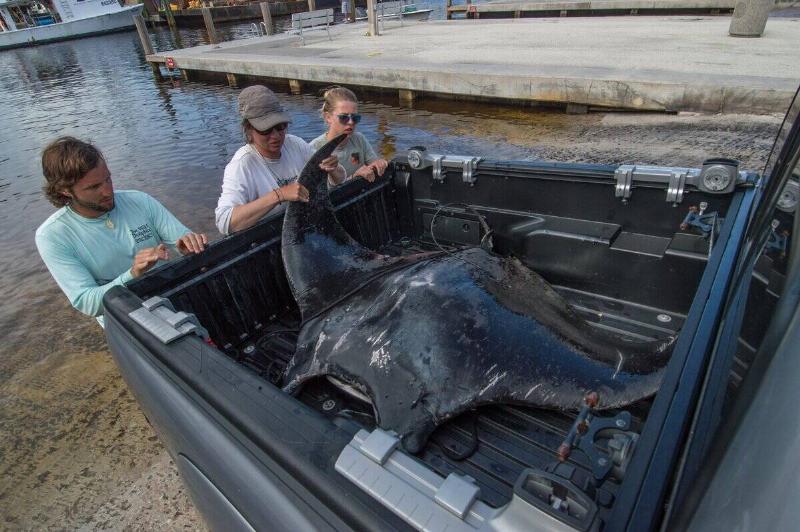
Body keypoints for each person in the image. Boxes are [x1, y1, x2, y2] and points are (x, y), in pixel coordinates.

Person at [35, 137, 208, 326]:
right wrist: (133, 274)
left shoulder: (139, 200)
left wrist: (188, 246)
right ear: (65, 191)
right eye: (94, 187)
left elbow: (182, 240)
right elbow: (87, 302)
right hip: (125, 319)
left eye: (108, 179)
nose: (108, 191)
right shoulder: (52, 236)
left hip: (172, 295)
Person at [215, 85, 346, 235]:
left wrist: (334, 169)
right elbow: (225, 222)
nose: (276, 136)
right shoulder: (242, 165)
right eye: (266, 130)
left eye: (280, 126)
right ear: (248, 129)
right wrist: (279, 195)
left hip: (303, 230)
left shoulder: (294, 144)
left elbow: (340, 179)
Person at [310, 86, 389, 183]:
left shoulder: (359, 139)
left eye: (355, 118)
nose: (351, 122)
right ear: (328, 117)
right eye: (344, 117)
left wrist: (380, 164)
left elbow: (373, 163)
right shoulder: (314, 149)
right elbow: (320, 193)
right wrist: (354, 177)